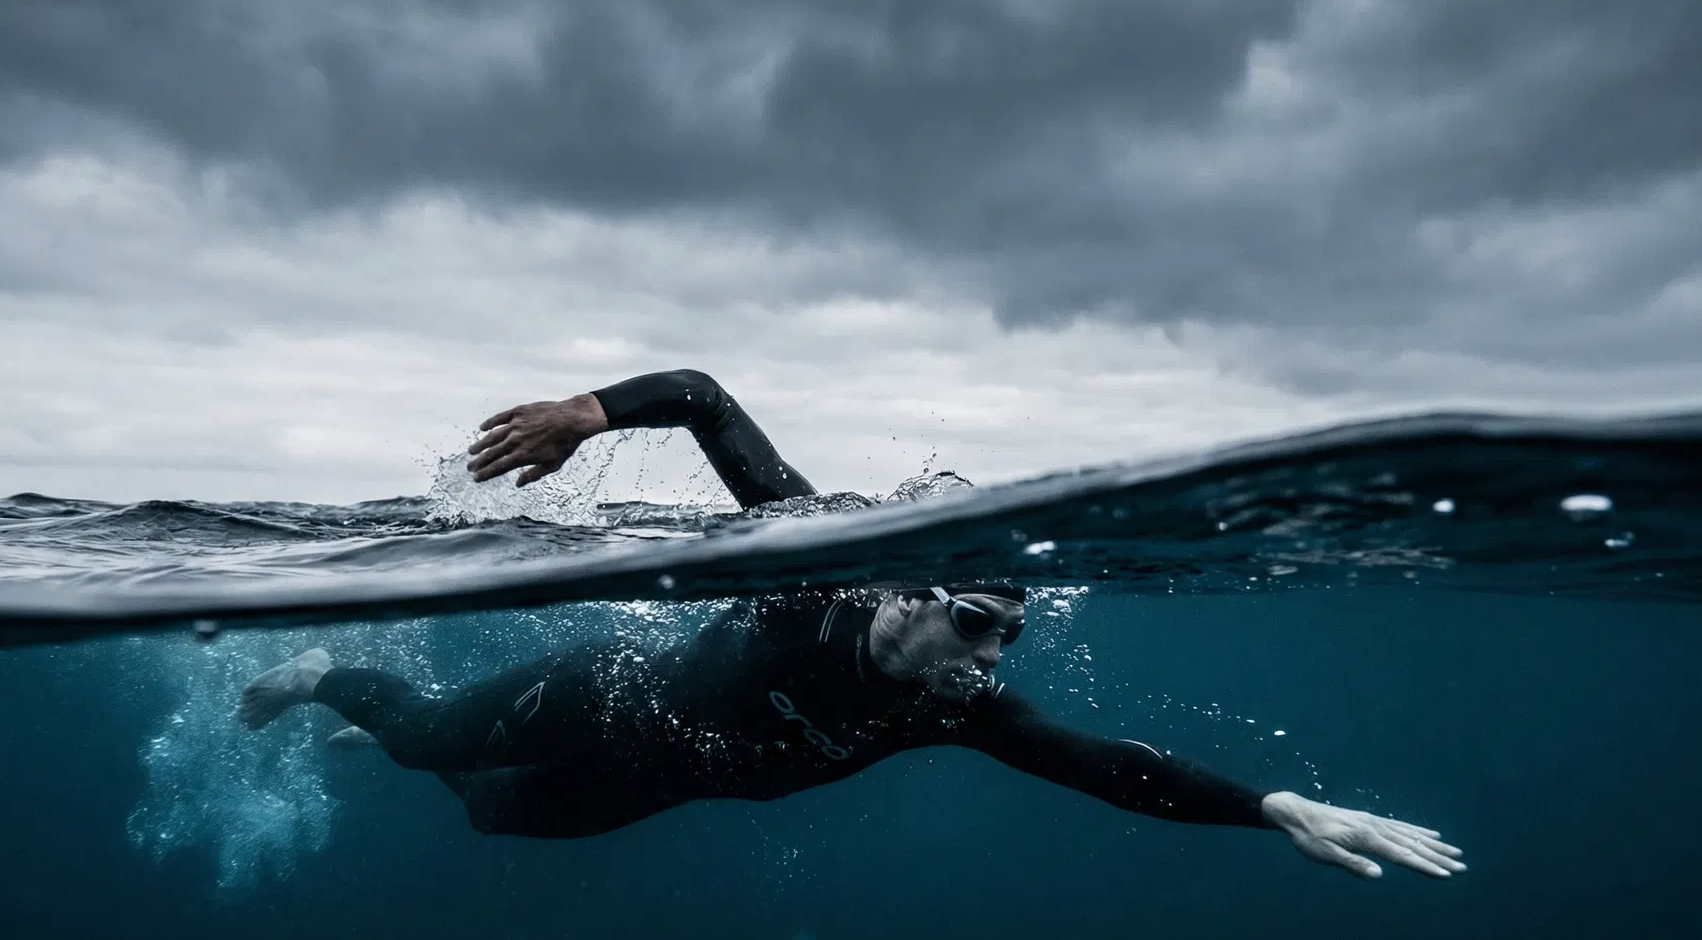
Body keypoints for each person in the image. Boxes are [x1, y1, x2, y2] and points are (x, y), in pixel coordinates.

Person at [240, 370, 1463, 881]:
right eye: (980, 625)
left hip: (660, 782)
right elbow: (707, 401)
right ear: (910, 593)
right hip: (606, 695)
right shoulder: (813, 573)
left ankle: (394, 742)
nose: (991, 662)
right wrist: (584, 412)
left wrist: (1271, 807)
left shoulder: (958, 708)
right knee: (431, 746)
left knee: (499, 817)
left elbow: (1103, 769)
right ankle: (327, 676)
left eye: (1008, 641)